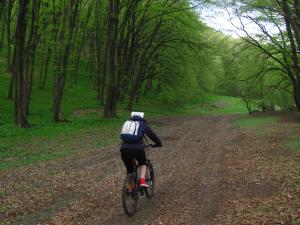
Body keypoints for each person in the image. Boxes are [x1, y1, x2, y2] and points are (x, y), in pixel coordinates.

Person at [120, 112, 162, 187]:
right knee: (142, 163)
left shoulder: (127, 123)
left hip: (124, 149)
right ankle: (142, 181)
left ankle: (130, 189)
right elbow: (152, 135)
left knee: (130, 170)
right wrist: (158, 144)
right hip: (138, 149)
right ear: (142, 117)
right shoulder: (143, 124)